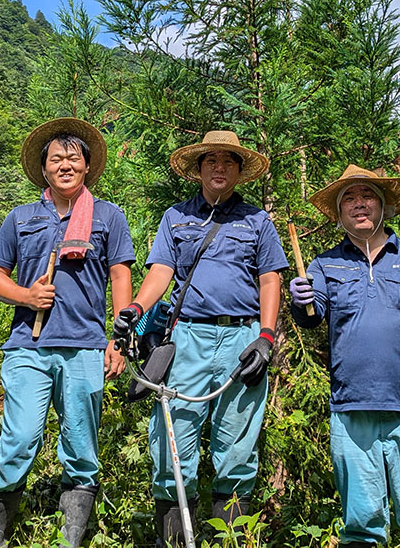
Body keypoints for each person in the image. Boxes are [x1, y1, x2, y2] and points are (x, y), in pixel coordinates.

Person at [113, 131, 288, 547]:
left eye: (228, 161)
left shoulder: (258, 222)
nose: (220, 168)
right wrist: (136, 309)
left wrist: (265, 337)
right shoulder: (175, 218)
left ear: (239, 171)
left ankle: (231, 540)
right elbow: (161, 272)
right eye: (211, 160)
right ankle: (174, 541)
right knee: (171, 444)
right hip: (187, 338)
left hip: (242, 338)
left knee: (238, 449)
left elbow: (270, 280)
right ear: (198, 169)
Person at [288, 165, 400, 548]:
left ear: (384, 206)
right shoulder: (324, 265)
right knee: (360, 524)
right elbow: (311, 316)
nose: (359, 204)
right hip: (351, 411)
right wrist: (300, 301)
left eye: (367, 195)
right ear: (339, 213)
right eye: (349, 199)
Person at [0, 118, 134, 548]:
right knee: (19, 438)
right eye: (56, 159)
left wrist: (120, 338)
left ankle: (72, 538)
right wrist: (26, 297)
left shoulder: (108, 216)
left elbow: (120, 277)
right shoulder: (21, 217)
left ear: (87, 165)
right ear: (43, 168)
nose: (65, 165)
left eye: (73, 158)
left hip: (86, 346)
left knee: (81, 446)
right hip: (28, 347)